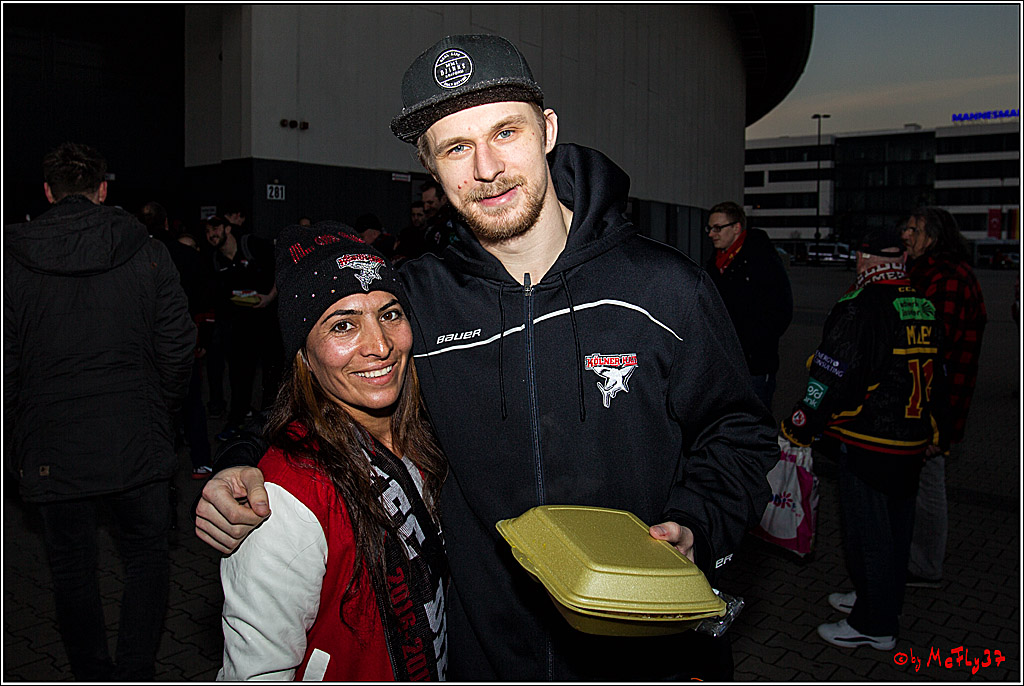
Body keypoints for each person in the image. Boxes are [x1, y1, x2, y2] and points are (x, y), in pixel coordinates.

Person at [197, 34, 777, 681]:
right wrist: (240, 460)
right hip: (488, 658)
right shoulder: (417, 301)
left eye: (506, 132)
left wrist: (698, 523)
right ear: (430, 165)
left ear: (547, 130)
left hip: (646, 653)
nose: (486, 167)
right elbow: (328, 383)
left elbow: (739, 430)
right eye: (455, 147)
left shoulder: (664, 288)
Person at [217, 224, 447, 680]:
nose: (380, 346)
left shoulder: (426, 439)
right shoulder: (286, 498)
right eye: (343, 325)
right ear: (303, 354)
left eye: (390, 314)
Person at [4, 143, 195, 680]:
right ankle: (134, 671)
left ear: (49, 192)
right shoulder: (147, 250)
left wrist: (16, 438)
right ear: (103, 189)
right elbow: (178, 347)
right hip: (136, 438)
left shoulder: (12, 260)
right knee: (147, 559)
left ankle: (92, 674)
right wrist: (161, 411)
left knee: (71, 569)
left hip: (52, 444)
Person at [781, 225, 945, 650]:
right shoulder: (923, 303)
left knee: (868, 533)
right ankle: (880, 599)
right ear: (901, 259)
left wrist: (800, 424)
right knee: (897, 530)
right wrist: (936, 431)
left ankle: (874, 624)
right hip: (911, 440)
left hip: (869, 439)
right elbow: (940, 374)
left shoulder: (862, 304)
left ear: (862, 258)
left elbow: (834, 373)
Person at [901, 207, 987, 588]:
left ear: (933, 238)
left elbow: (935, 348)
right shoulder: (931, 272)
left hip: (934, 405)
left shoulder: (947, 278)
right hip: (929, 402)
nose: (906, 235)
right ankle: (919, 558)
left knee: (928, 485)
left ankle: (924, 566)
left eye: (914, 230)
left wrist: (937, 422)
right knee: (922, 484)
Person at [139, 201, 215, 478]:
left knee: (154, 405)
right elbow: (205, 299)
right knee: (190, 400)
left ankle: (158, 465)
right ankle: (200, 460)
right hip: (182, 343)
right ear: (166, 223)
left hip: (149, 346)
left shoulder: (131, 258)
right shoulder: (184, 256)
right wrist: (202, 337)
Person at [705, 201, 793, 411]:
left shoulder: (762, 261)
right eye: (710, 228)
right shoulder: (716, 262)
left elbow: (781, 312)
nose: (711, 234)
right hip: (723, 363)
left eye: (718, 228)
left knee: (754, 417)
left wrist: (751, 345)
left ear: (736, 228)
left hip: (754, 365)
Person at [204, 214, 284, 440]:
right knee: (240, 375)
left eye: (216, 228)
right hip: (240, 326)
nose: (212, 234)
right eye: (208, 231)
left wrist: (269, 297)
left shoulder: (251, 245)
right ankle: (237, 421)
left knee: (272, 375)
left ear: (227, 228)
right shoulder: (216, 260)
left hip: (268, 321)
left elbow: (281, 267)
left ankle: (270, 425)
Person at [419, 179, 457, 255]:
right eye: (424, 203)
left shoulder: (454, 223)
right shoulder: (429, 224)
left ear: (443, 199)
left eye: (430, 203)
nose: (426, 208)